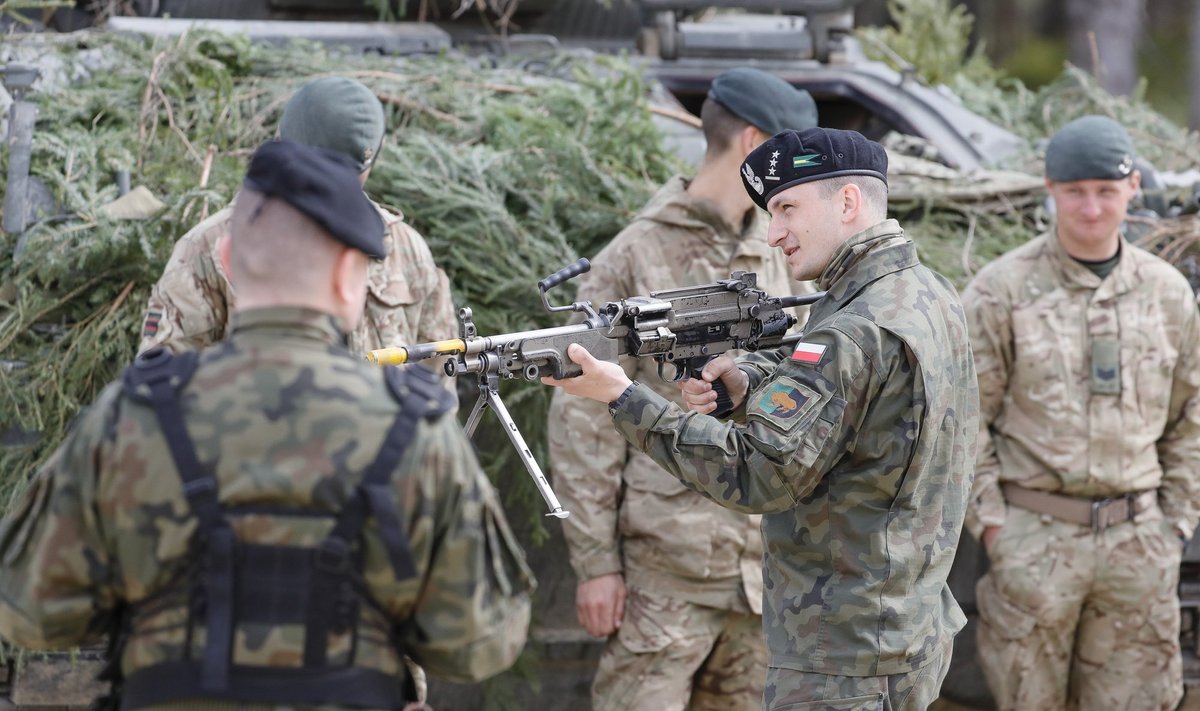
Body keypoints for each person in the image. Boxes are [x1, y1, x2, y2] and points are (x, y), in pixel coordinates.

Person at [0, 140, 534, 710]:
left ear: (227, 259)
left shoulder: (133, 417)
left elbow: (27, 612)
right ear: (349, 277)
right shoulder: (415, 430)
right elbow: (479, 645)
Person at [545, 126, 978, 711]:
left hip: (841, 656)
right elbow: (856, 410)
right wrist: (748, 380)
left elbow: (759, 473)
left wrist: (623, 397)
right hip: (903, 627)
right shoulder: (924, 294)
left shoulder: (853, 328)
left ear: (847, 202)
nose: (773, 234)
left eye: (786, 208)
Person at [545, 67, 818, 711]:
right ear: (754, 143)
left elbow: (815, 388)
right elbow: (581, 421)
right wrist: (596, 566)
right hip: (665, 580)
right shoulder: (634, 255)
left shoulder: (788, 257)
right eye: (791, 161)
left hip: (769, 578)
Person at [962, 115, 1200, 711]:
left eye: (1105, 191)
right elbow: (963, 420)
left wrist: (1174, 523)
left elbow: (1191, 415)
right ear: (1050, 190)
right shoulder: (1000, 291)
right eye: (1075, 192)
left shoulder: (1169, 293)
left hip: (1139, 545)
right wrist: (994, 525)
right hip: (1033, 545)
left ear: (1132, 189)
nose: (1091, 208)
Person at [139, 75, 455, 357]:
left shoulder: (405, 248)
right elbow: (162, 386)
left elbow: (439, 373)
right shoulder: (207, 248)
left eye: (347, 174)